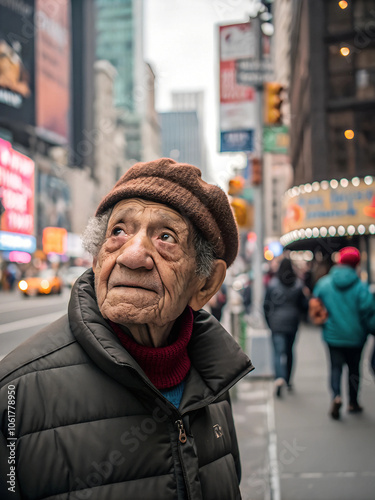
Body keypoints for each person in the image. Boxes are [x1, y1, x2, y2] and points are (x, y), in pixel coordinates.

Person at [0, 158, 254, 500]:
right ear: (97, 258)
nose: (133, 255)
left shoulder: (214, 382)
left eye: (166, 238)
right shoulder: (16, 394)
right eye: (118, 231)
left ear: (205, 284)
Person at [313, 246, 375, 420]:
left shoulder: (324, 283)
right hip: (356, 337)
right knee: (354, 370)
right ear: (356, 264)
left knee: (335, 368)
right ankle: (353, 402)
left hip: (333, 336)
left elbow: (315, 303)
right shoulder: (361, 287)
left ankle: (336, 396)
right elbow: (368, 310)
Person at [263, 257, 308, 397]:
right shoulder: (298, 284)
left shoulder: (272, 284)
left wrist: (269, 322)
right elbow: (304, 306)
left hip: (276, 323)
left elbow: (266, 306)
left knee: (278, 352)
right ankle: (288, 380)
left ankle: (279, 377)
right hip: (292, 322)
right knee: (289, 351)